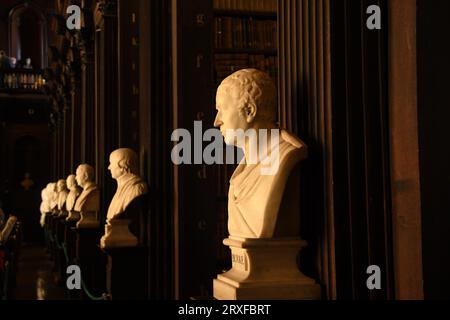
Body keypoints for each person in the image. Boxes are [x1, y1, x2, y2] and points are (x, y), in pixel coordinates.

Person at [213, 68, 307, 239]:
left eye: (222, 109)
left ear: (249, 111)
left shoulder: (285, 157)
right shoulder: (242, 172)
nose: (217, 121)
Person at [106, 148, 148, 221]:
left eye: (111, 163)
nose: (109, 167)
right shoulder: (122, 187)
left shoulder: (136, 188)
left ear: (122, 166)